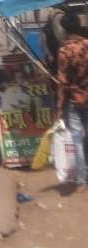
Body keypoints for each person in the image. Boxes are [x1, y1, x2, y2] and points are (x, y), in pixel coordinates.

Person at [55, 11, 88, 191]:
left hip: (76, 100)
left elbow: (63, 82)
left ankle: (83, 180)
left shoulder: (65, 50)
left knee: (77, 139)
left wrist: (59, 108)